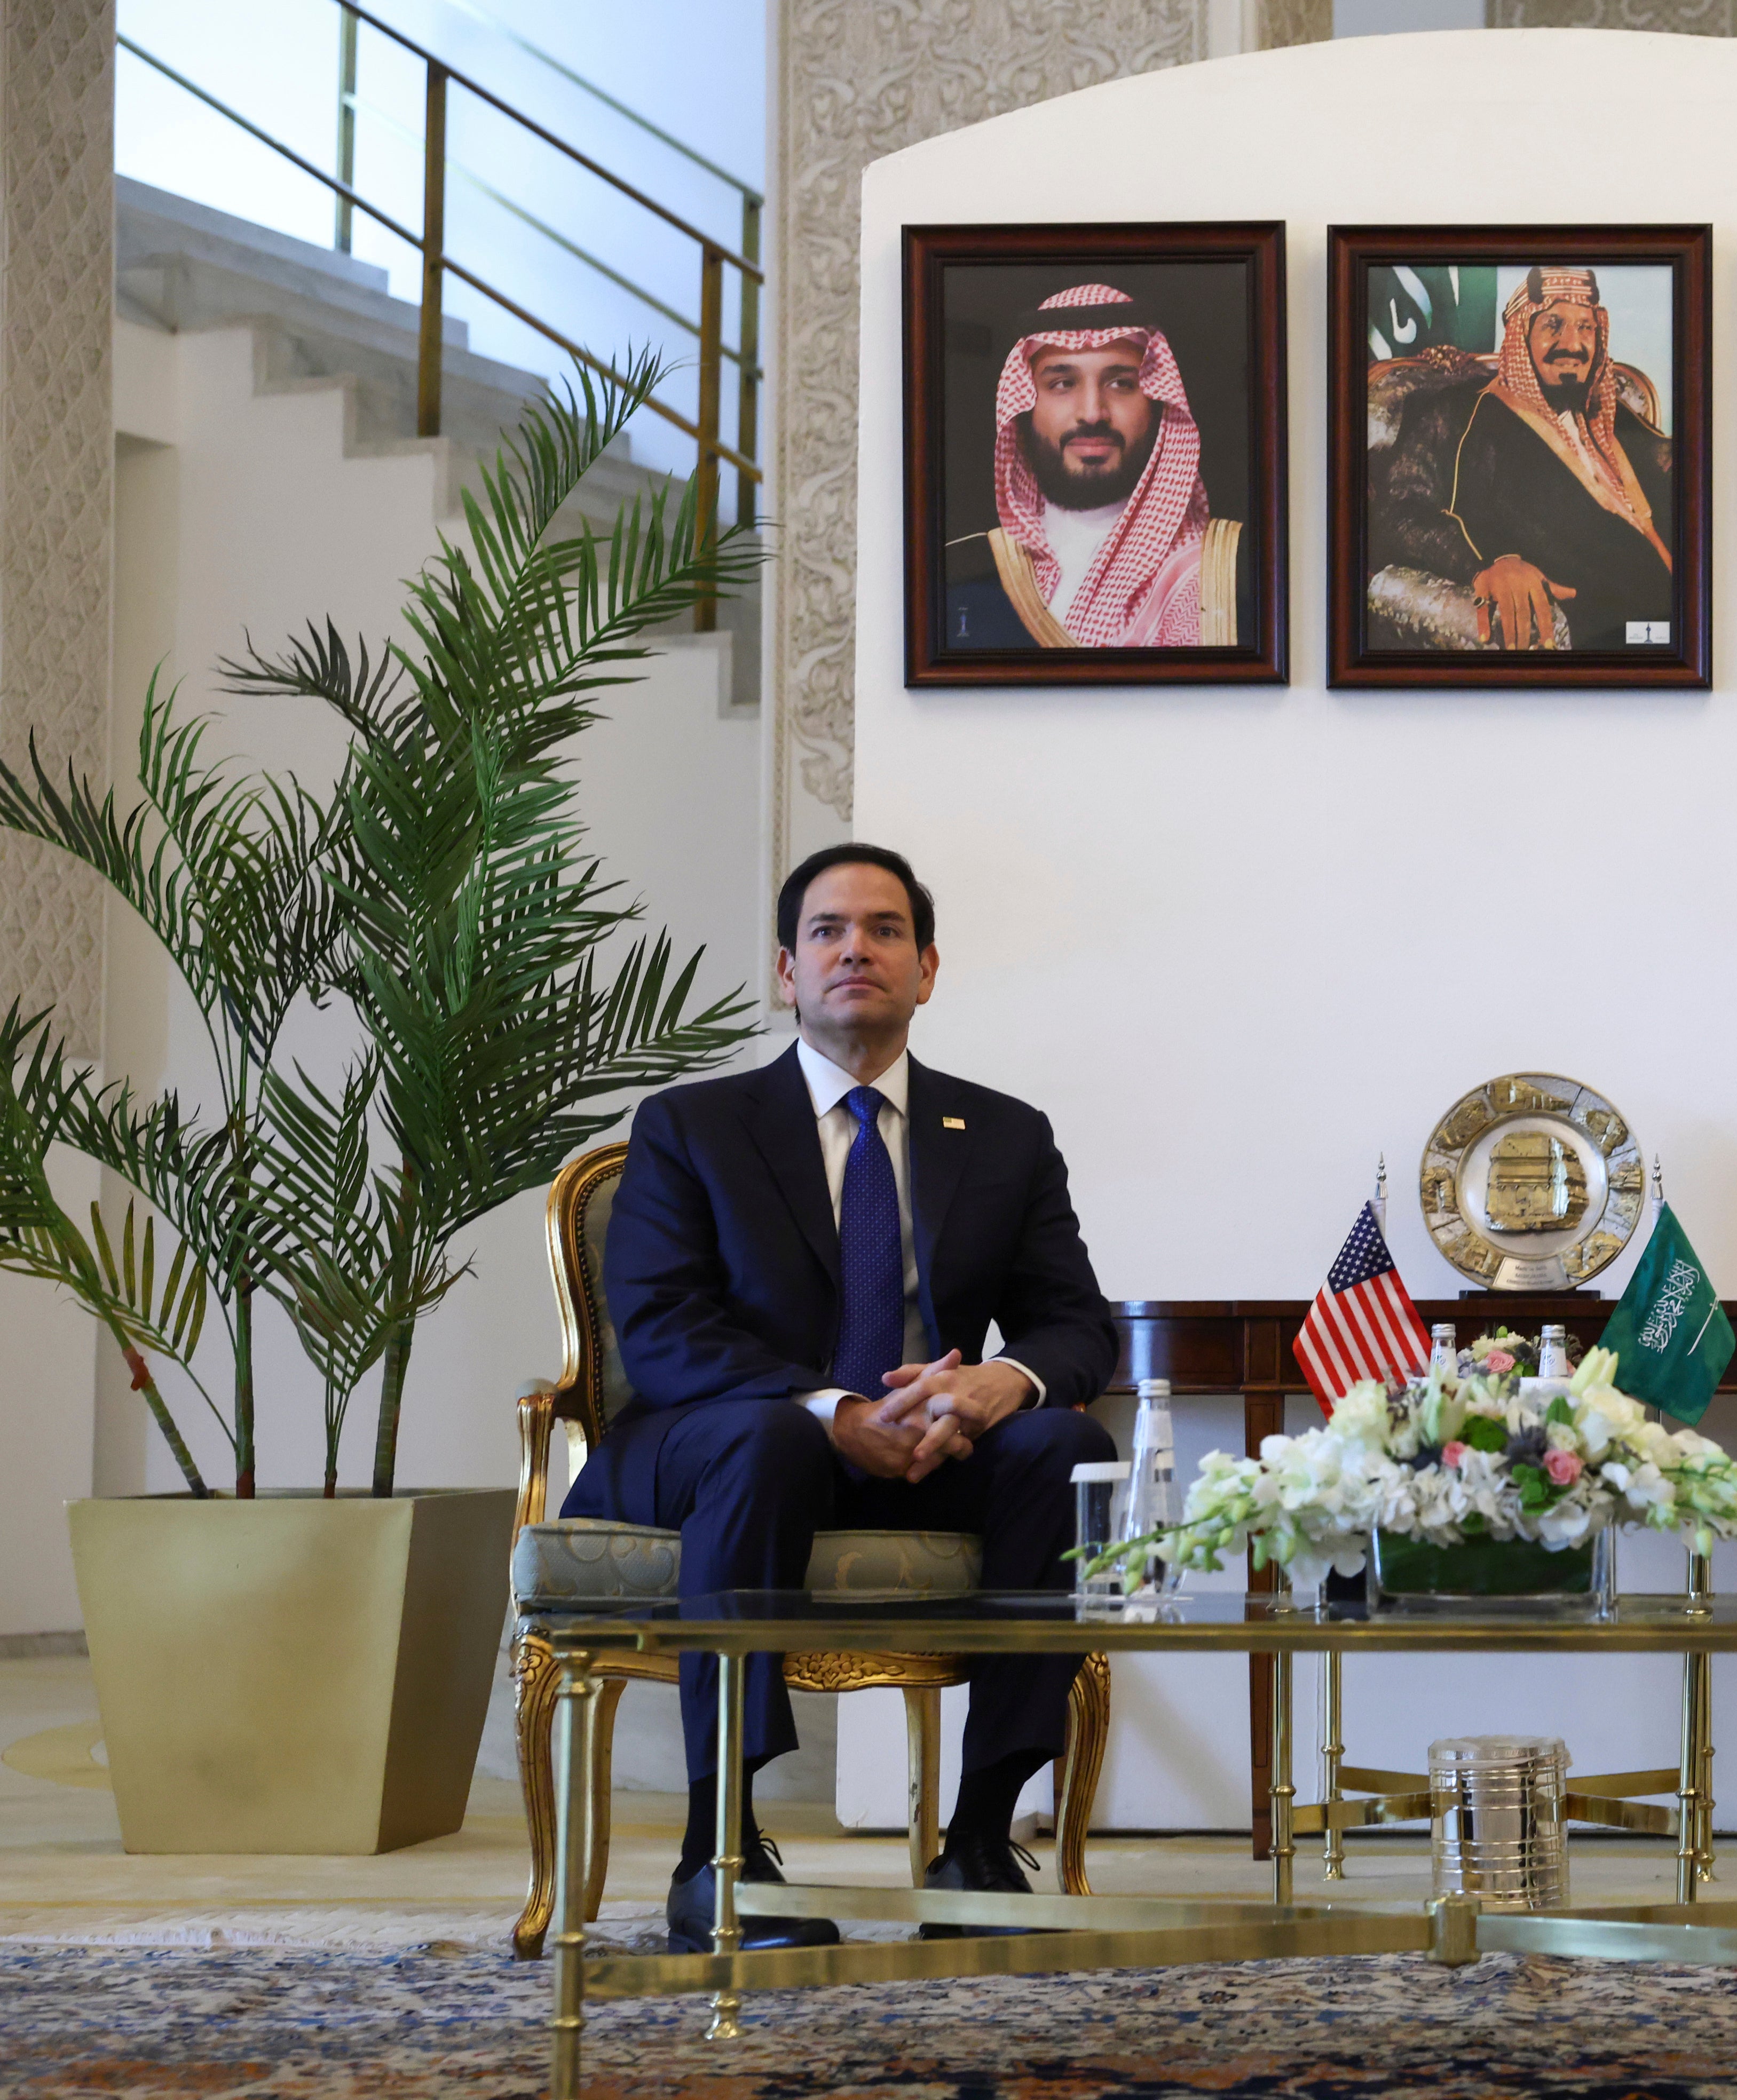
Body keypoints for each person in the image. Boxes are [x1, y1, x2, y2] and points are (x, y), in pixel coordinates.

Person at [567, 843, 1117, 1953]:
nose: (854, 948)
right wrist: (831, 1408)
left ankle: (975, 1839)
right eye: (827, 930)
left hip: (930, 1450)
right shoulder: (692, 1126)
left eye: (883, 929)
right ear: (786, 968)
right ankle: (717, 1851)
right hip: (722, 1445)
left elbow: (1077, 1326)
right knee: (770, 1436)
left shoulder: (1004, 1135)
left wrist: (988, 1385)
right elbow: (667, 1333)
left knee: (1062, 1441)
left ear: (927, 968)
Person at [1370, 267, 1673, 651]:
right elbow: (1397, 513)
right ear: (1521, 336)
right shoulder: (1459, 412)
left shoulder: (1605, 412)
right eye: (1554, 325)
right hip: (1610, 628)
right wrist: (1489, 562)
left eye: (1586, 328)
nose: (1573, 344)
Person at [943, 282, 1245, 649]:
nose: (1092, 413)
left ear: (1158, 404)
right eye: (1062, 383)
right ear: (1024, 408)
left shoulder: (1228, 573)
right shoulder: (963, 576)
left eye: (1121, 383)